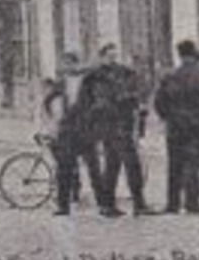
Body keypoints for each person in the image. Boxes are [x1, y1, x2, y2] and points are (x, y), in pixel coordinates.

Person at [81, 43, 153, 216]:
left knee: (113, 165)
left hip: (119, 124)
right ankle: (137, 204)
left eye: (115, 56)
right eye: (109, 56)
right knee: (130, 164)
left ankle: (109, 205)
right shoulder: (95, 77)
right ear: (102, 57)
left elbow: (133, 92)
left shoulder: (121, 73)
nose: (113, 60)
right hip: (112, 125)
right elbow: (89, 102)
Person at [152, 41, 199, 214]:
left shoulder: (170, 77)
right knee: (193, 163)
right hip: (196, 126)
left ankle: (173, 203)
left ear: (179, 55)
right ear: (194, 54)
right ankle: (192, 202)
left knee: (174, 164)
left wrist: (169, 117)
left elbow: (159, 103)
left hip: (175, 127)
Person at [39, 52, 95, 216]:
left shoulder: (86, 83)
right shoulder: (60, 85)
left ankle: (104, 202)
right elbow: (48, 103)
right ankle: (63, 206)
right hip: (66, 131)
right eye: (65, 65)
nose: (68, 68)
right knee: (64, 169)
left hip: (84, 130)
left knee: (93, 168)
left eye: (71, 64)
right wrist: (53, 124)